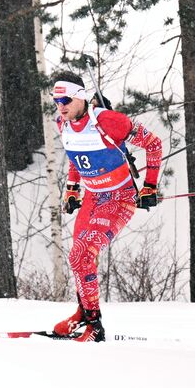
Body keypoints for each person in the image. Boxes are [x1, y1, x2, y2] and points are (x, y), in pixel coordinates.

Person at [49, 71, 163, 342]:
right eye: (56, 100)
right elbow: (76, 155)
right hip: (92, 197)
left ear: (80, 96)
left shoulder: (109, 121)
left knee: (81, 254)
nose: (60, 106)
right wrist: (73, 189)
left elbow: (154, 144)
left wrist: (150, 186)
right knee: (79, 260)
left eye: (65, 99)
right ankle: (83, 314)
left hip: (119, 198)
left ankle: (95, 328)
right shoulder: (62, 123)